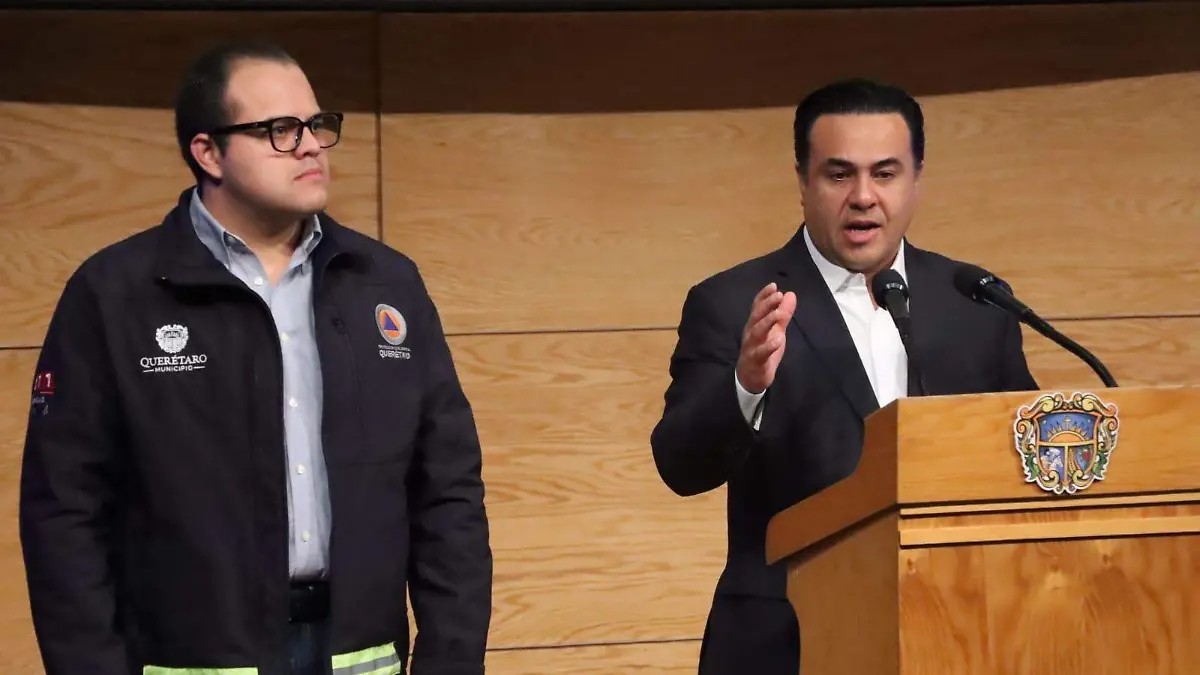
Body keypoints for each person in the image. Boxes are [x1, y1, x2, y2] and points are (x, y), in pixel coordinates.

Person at [19, 40, 492, 675]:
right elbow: (64, 513)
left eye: (317, 125)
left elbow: (447, 492)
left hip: (358, 650)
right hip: (195, 655)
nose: (311, 146)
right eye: (280, 130)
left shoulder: (384, 283)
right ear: (208, 152)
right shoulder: (114, 294)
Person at [649, 78, 1038, 674]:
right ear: (803, 182)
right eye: (838, 175)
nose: (863, 196)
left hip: (953, 635)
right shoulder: (733, 303)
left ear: (916, 179)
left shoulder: (974, 301)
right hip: (787, 645)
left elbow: (1022, 458)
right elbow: (680, 464)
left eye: (885, 173)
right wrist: (746, 384)